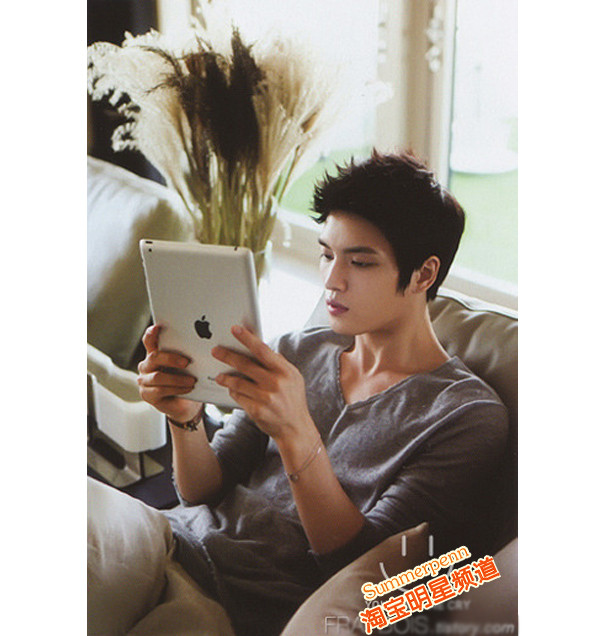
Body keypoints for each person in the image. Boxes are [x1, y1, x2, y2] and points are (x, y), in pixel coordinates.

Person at [133, 150, 508, 635]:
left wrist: (296, 432)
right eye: (328, 254)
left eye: (361, 262)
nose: (331, 280)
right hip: (169, 542)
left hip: (240, 604)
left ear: (423, 274)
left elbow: (361, 570)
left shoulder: (465, 415)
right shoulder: (297, 349)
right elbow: (202, 490)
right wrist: (184, 417)